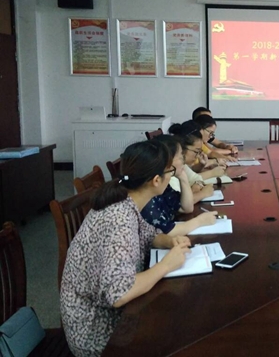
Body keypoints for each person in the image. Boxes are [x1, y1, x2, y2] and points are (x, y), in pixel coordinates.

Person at [60, 140, 191, 356]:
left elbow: (147, 233)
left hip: (112, 313)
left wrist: (169, 241)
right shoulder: (118, 218)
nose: (172, 175)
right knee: (178, 329)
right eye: (170, 171)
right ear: (156, 180)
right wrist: (167, 265)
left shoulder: (126, 199)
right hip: (97, 331)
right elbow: (119, 293)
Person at [141, 135, 218, 236]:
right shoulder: (149, 194)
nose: (183, 159)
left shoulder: (164, 185)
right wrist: (199, 221)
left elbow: (187, 208)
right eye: (180, 156)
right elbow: (165, 232)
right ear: (169, 160)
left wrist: (183, 177)